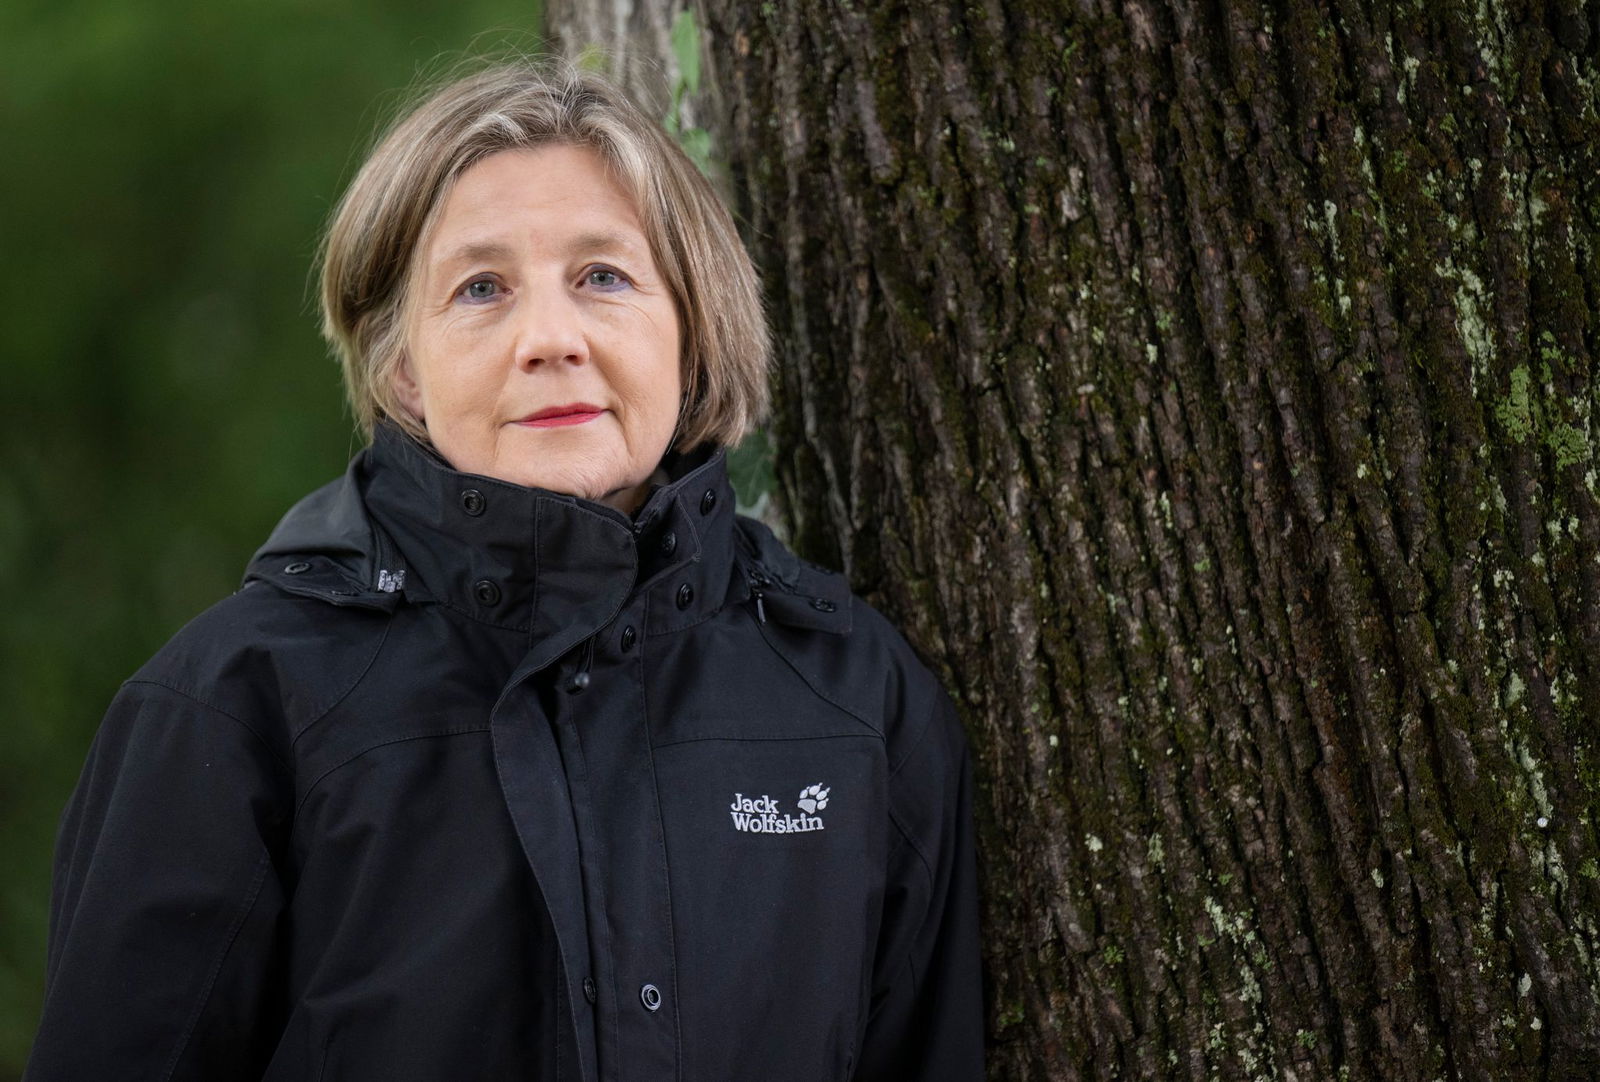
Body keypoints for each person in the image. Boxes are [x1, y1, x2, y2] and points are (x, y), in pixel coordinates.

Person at [26, 60, 983, 1081]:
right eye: (481, 289)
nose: (549, 340)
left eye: (603, 277)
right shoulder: (231, 707)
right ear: (402, 365)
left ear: (693, 329)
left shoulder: (855, 698)